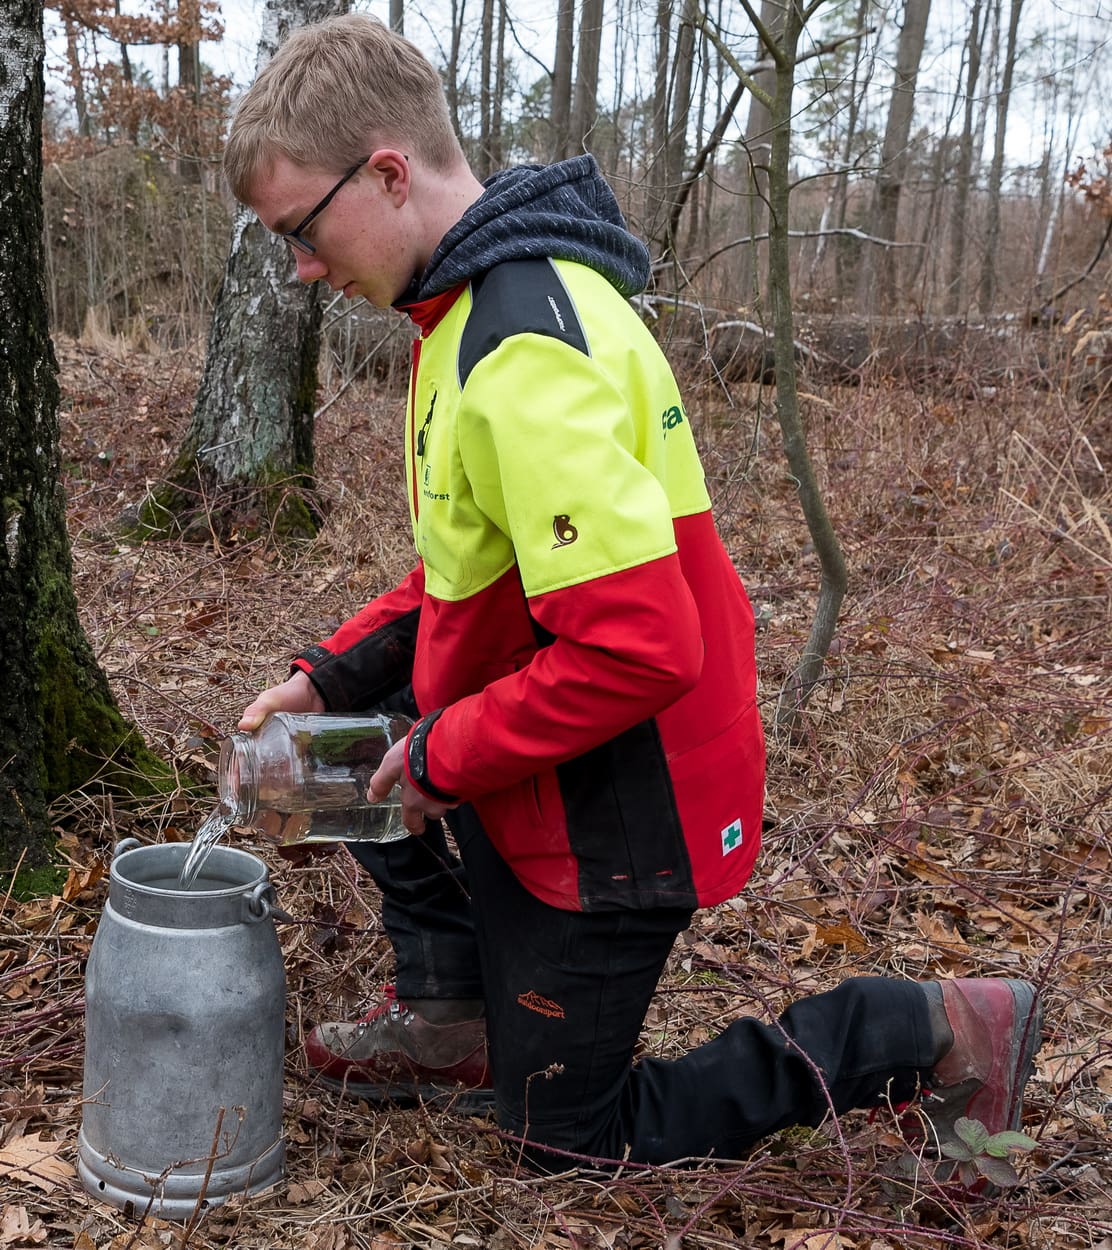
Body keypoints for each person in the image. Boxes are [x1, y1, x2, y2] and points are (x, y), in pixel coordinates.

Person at [223, 13, 1042, 1174]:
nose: (302, 266)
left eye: (301, 230)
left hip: (619, 809)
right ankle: (456, 1009)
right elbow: (466, 571)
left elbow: (635, 648)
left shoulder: (520, 350)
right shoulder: (467, 309)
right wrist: (326, 677)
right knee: (332, 764)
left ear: (388, 173)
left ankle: (928, 1024)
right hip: (541, 752)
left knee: (564, 1142)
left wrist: (442, 757)